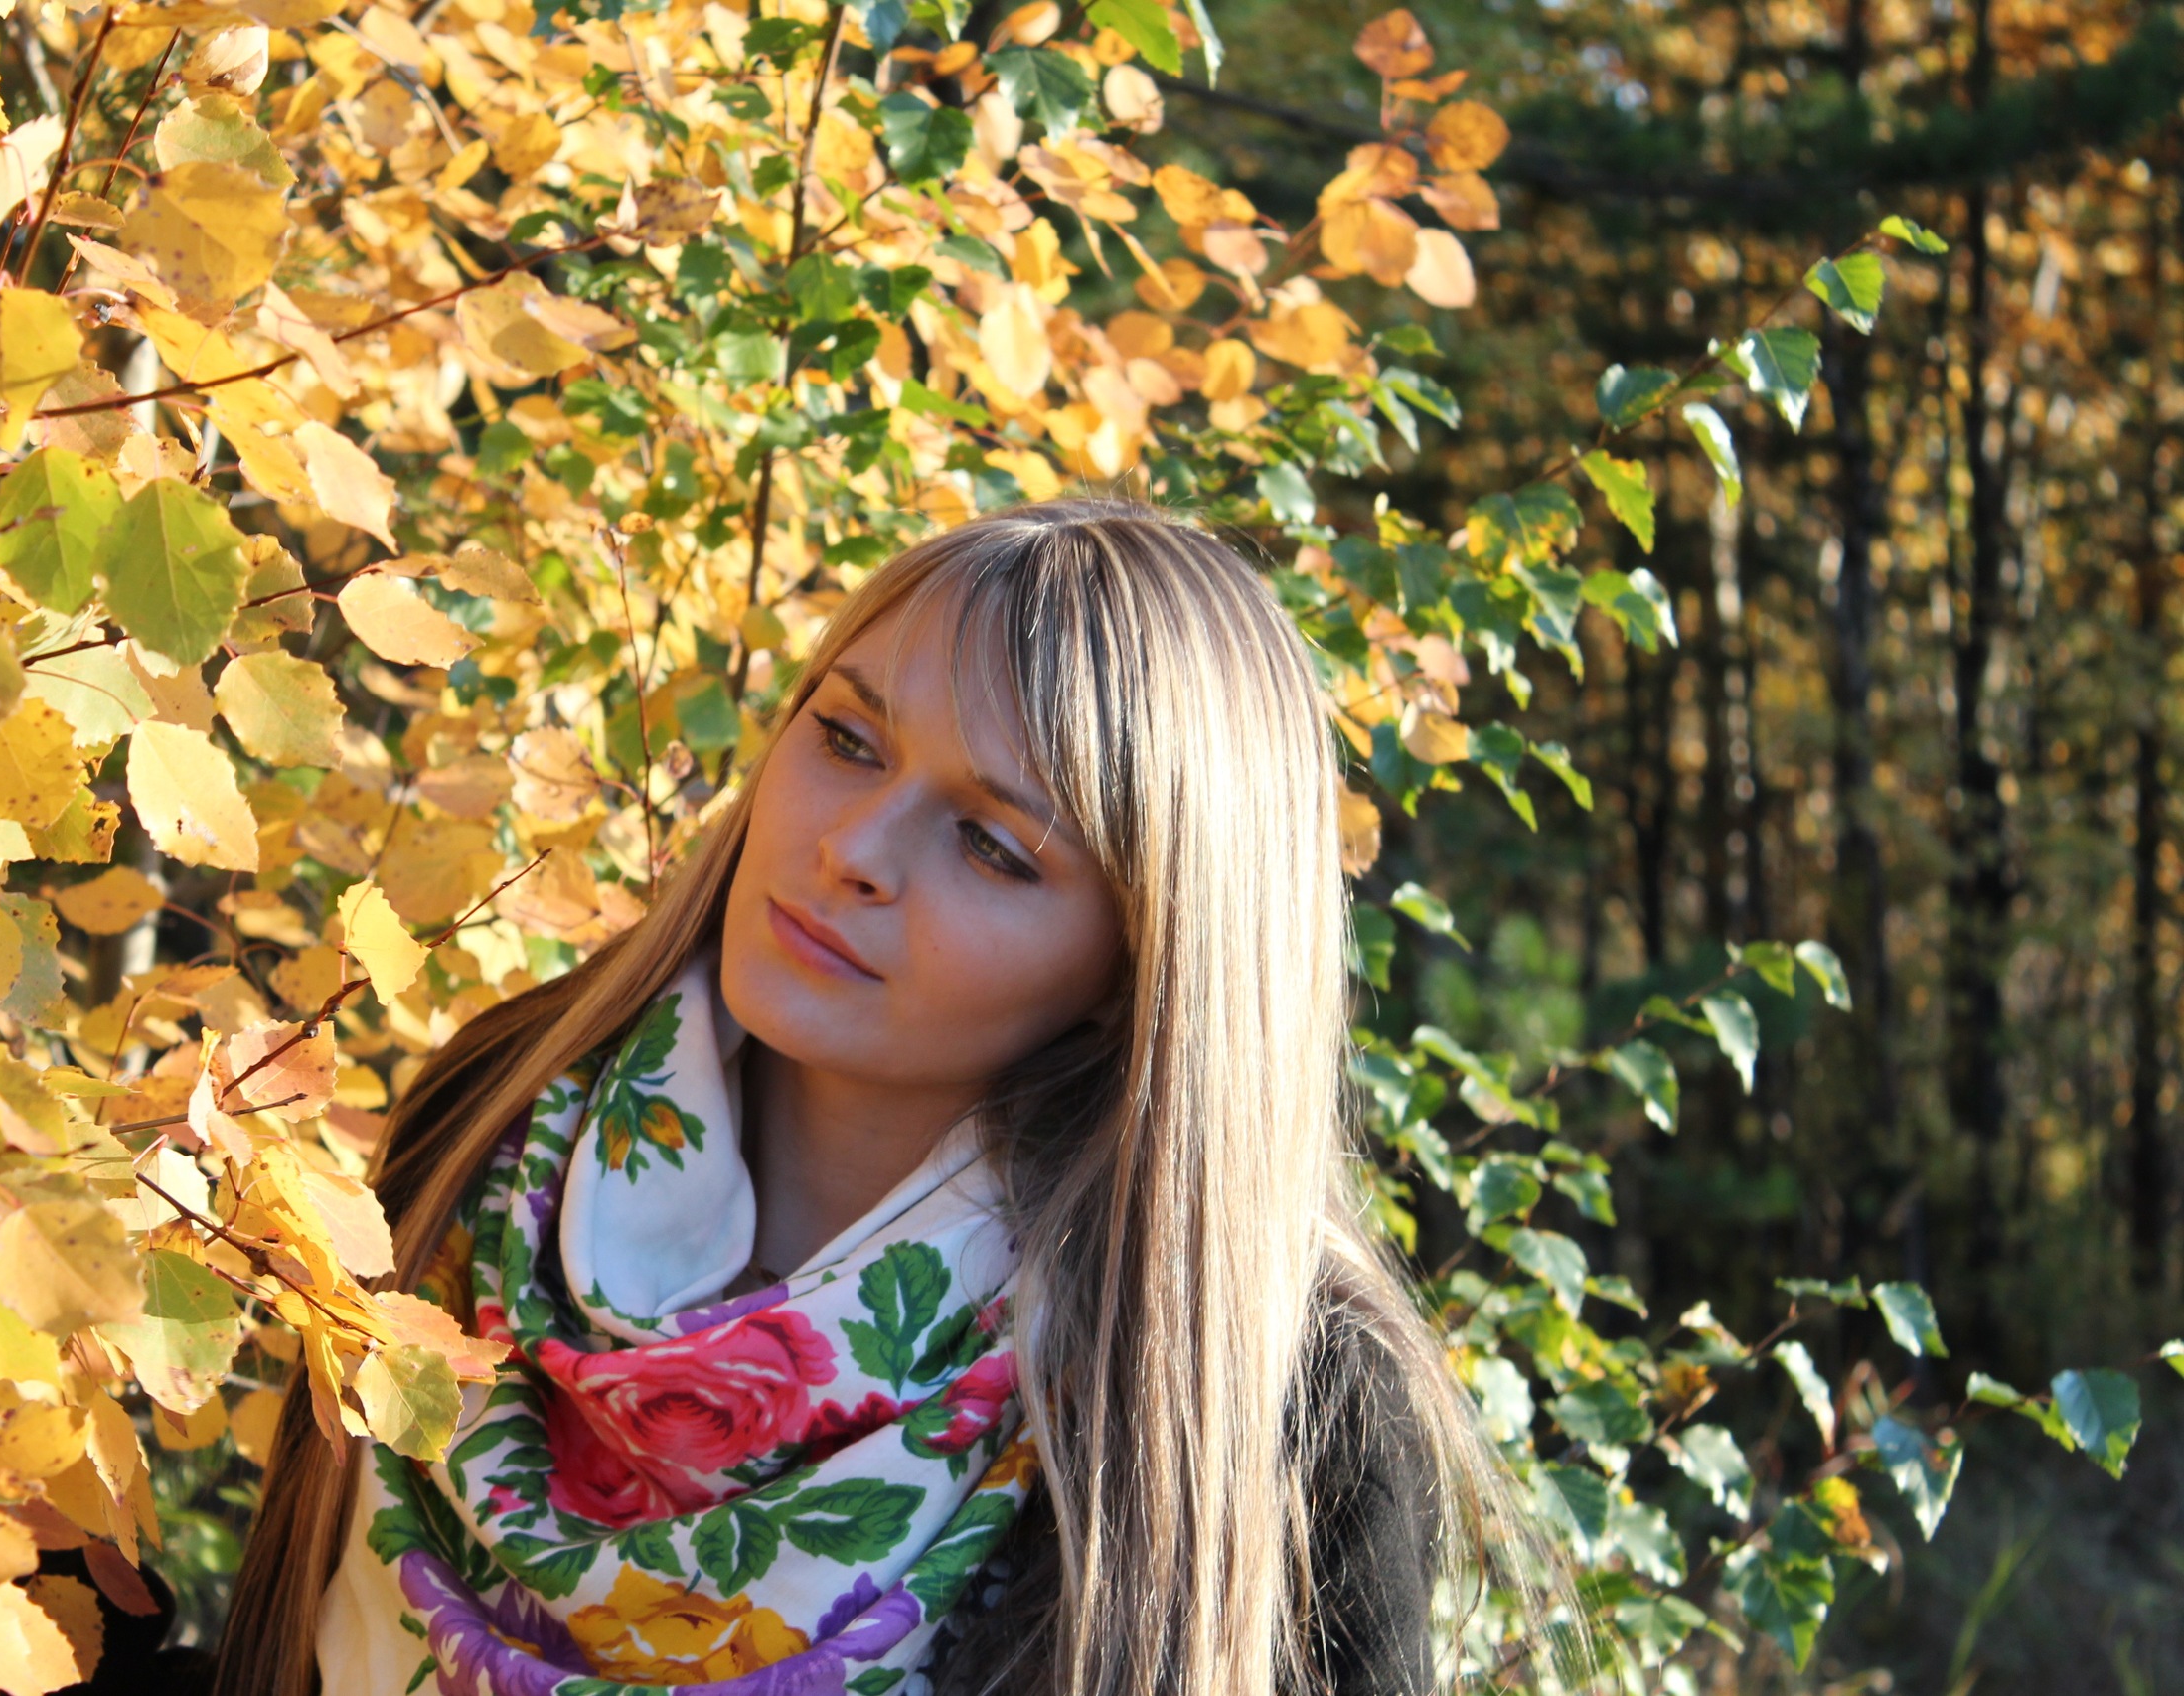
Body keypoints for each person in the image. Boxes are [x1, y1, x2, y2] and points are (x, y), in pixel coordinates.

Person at [212, 499, 1503, 1696]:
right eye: (846, 739)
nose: (854, 849)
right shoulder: (493, 1124)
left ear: (1145, 967)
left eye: (992, 845)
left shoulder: (1268, 1399)